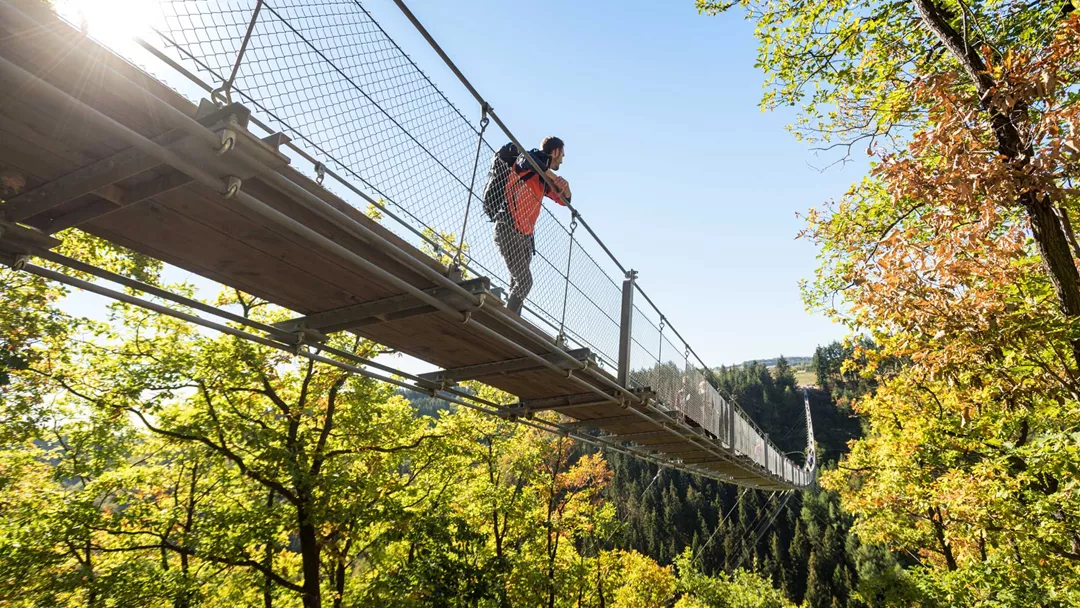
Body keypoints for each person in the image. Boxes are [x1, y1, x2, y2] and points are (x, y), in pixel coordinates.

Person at [494, 136, 572, 315]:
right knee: (525, 282)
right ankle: (508, 323)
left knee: (517, 284)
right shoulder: (529, 159)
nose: (563, 159)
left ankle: (513, 320)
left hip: (525, 238)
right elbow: (528, 161)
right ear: (556, 152)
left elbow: (565, 200)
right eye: (563, 155)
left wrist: (565, 187)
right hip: (508, 227)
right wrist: (553, 176)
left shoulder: (543, 180)